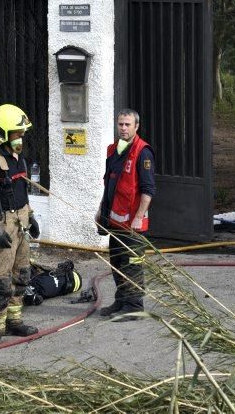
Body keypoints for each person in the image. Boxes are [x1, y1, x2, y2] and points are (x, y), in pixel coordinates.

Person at [0, 104, 41, 346]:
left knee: (22, 275)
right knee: (1, 280)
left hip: (21, 221)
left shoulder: (19, 159)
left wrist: (31, 217)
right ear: (3, 133)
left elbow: (22, 191)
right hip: (2, 222)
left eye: (22, 132)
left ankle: (14, 321)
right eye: (16, 132)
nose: (21, 137)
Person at [95, 109, 155, 321]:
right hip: (116, 222)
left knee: (133, 265)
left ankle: (134, 306)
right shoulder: (114, 150)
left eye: (128, 125)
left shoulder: (142, 152)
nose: (123, 128)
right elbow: (110, 184)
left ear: (136, 127)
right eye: (120, 124)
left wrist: (139, 216)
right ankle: (121, 301)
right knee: (118, 263)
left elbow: (148, 190)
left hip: (132, 225)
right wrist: (102, 209)